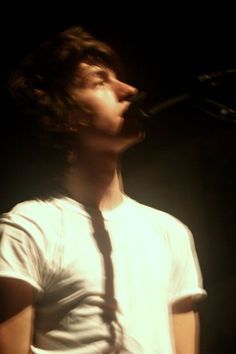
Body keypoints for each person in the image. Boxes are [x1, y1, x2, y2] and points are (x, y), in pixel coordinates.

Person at [0, 26, 206, 354]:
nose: (129, 90)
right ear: (65, 117)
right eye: (100, 82)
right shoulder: (27, 228)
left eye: (118, 78)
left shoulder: (171, 233)